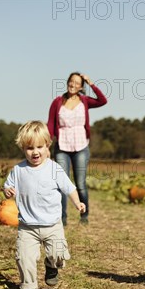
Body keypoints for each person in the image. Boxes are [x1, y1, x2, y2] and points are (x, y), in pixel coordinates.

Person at [4, 120, 86, 289]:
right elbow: (8, 187)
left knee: (58, 253)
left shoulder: (54, 169)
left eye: (39, 147)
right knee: (24, 258)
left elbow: (69, 188)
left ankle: (51, 266)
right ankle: (28, 286)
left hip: (52, 225)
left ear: (47, 145)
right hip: (27, 226)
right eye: (29, 148)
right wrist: (8, 191)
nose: (35, 152)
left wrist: (77, 203)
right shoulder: (18, 170)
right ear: (23, 149)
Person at [47, 72, 107, 226]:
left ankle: (84, 216)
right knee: (61, 184)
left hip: (81, 147)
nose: (73, 84)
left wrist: (91, 83)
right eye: (71, 81)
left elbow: (103, 100)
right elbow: (51, 125)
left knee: (80, 183)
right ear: (67, 83)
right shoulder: (57, 102)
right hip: (62, 147)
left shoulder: (84, 101)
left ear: (81, 86)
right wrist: (46, 145)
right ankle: (62, 219)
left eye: (77, 83)